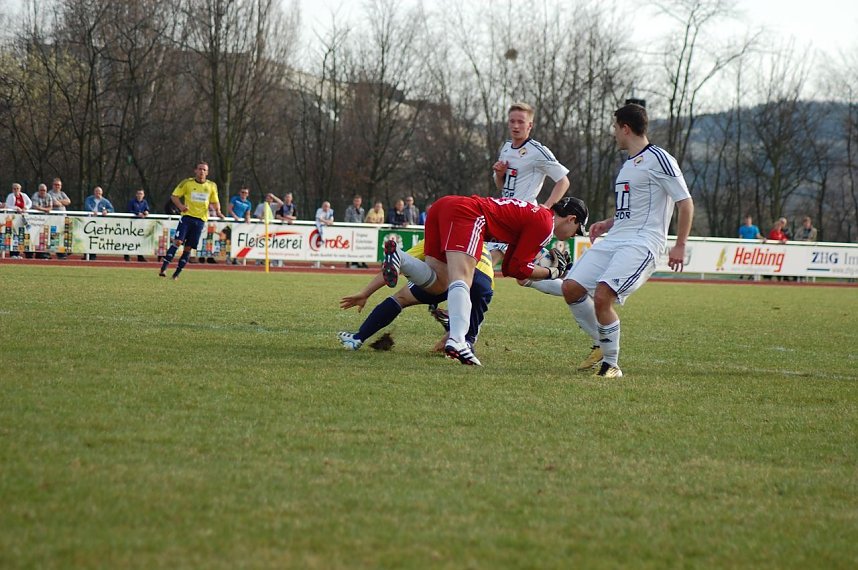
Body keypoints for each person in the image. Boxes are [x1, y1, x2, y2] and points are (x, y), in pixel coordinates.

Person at [561, 103, 693, 379]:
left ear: (625, 128)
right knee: (571, 287)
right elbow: (632, 209)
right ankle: (602, 340)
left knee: (603, 295)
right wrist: (609, 222)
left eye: (615, 127)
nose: (613, 134)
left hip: (642, 242)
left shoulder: (660, 159)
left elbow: (685, 202)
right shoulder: (630, 164)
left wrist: (679, 244)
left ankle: (612, 365)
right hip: (616, 237)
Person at [382, 195, 585, 366]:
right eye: (576, 230)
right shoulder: (545, 225)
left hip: (445, 206)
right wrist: (551, 273)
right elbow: (519, 269)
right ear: (571, 219)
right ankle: (458, 340)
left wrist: (548, 272)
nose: (571, 236)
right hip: (469, 213)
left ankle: (402, 259)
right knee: (462, 277)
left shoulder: (539, 216)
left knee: (439, 283)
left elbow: (510, 268)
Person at [337, 240, 494, 351]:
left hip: (449, 279)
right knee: (466, 340)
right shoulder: (476, 238)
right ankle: (455, 331)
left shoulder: (440, 237)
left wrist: (365, 293)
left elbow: (394, 267)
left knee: (400, 298)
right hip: (484, 284)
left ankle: (358, 338)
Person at [489, 101, 570, 265]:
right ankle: (557, 270)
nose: (516, 126)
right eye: (512, 121)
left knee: (489, 259)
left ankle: (468, 289)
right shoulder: (506, 148)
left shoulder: (537, 151)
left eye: (521, 122)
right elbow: (501, 187)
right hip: (504, 212)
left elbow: (563, 181)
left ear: (530, 125)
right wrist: (500, 175)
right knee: (522, 274)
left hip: (521, 217)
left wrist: (547, 207)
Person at [158, 161, 222, 280]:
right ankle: (164, 268)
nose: (202, 171)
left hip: (200, 221)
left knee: (188, 248)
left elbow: (215, 201)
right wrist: (181, 207)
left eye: (204, 170)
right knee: (178, 242)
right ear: (195, 170)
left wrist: (218, 211)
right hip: (187, 218)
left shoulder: (211, 185)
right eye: (200, 169)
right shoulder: (187, 183)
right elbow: (174, 196)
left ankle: (176, 274)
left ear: (207, 172)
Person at [124, 189, 150, 262]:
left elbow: (147, 209)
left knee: (140, 240)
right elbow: (129, 210)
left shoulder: (144, 202)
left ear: (143, 195)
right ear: (136, 194)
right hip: (131, 223)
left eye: (141, 194)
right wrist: (137, 213)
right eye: (138, 193)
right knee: (129, 240)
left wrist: (146, 212)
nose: (139, 195)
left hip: (141, 224)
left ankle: (140, 256)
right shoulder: (132, 202)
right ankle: (127, 255)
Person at [344, 195, 366, 268]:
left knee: (359, 246)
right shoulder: (349, 209)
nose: (357, 203)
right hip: (351, 231)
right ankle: (348, 262)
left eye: (358, 201)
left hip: (359, 231)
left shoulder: (362, 210)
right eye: (356, 201)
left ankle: (358, 262)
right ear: (353, 201)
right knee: (349, 246)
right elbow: (347, 220)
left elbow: (362, 220)